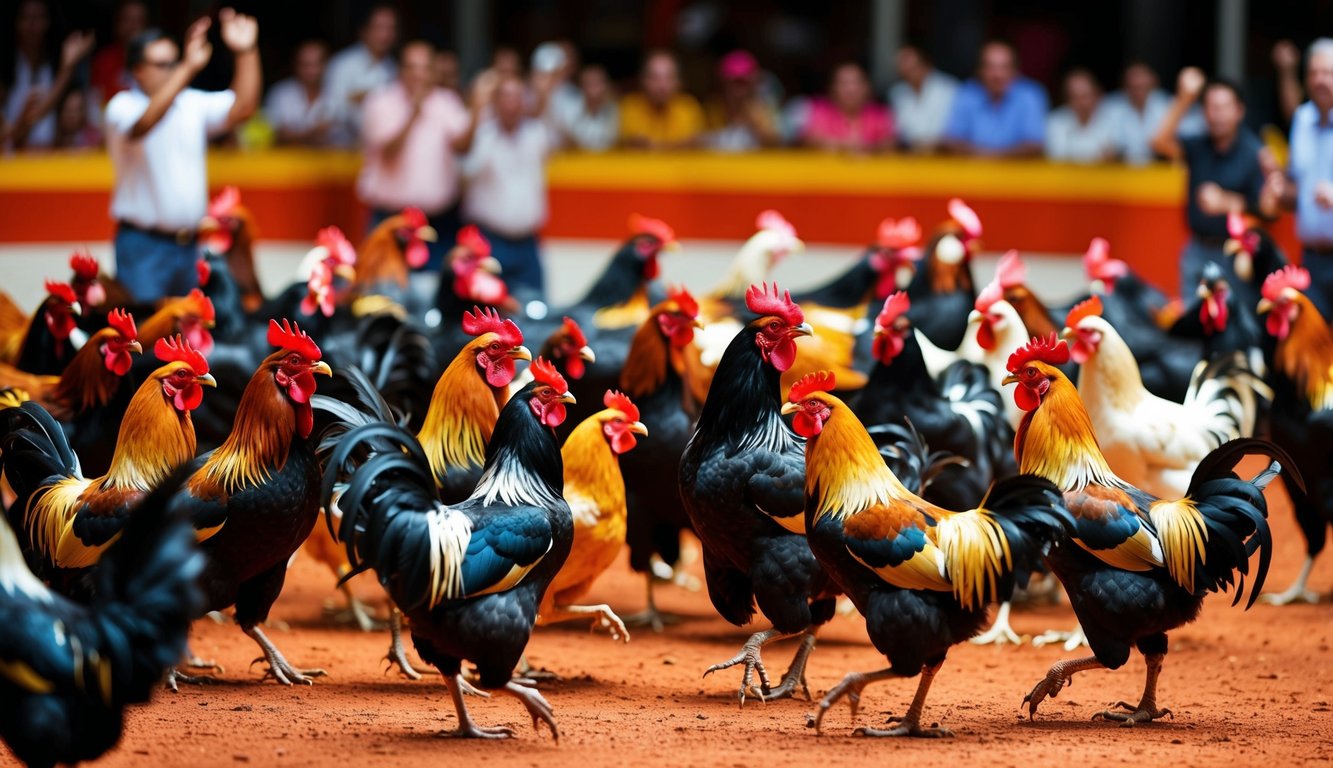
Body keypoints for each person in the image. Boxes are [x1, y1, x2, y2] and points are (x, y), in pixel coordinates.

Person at [104, 10, 260, 302]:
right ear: (138, 70)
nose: (172, 70)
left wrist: (245, 51)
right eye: (163, 64)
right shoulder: (122, 106)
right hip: (143, 247)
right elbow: (143, 125)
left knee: (189, 341)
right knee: (143, 339)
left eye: (174, 62)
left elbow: (243, 108)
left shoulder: (190, 103)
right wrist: (188, 68)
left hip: (189, 246)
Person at [358, 40, 483, 270]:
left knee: (437, 294)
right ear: (400, 70)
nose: (418, 75)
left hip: (438, 221)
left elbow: (463, 147)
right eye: (412, 67)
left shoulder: (446, 101)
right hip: (391, 220)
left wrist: (476, 109)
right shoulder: (380, 102)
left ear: (433, 71)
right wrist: (413, 113)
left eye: (425, 68)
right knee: (385, 293)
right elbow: (388, 152)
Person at [1151, 68, 1267, 300]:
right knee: (1193, 324)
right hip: (1196, 249)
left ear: (1239, 111)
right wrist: (1184, 99)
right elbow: (1159, 143)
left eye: (1223, 107)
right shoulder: (1199, 145)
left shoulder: (1255, 152)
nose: (1217, 115)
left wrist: (1228, 202)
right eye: (1211, 107)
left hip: (1236, 254)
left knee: (1233, 325)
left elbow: (1266, 210)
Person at [462, 75, 554, 301]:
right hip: (490, 241)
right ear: (495, 102)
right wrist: (476, 112)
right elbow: (465, 173)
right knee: (488, 311)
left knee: (536, 307)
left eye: (517, 98)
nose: (512, 104)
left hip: (528, 242)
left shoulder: (536, 134)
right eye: (505, 98)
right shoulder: (482, 135)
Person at [1264, 38, 1333, 317]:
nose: (1319, 80)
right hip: (1311, 259)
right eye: (1313, 73)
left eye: (1328, 73)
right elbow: (1296, 189)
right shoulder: (1302, 120)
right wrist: (1278, 186)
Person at [3, 0, 96, 150]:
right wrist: (67, 69)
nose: (32, 25)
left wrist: (68, 66)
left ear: (48, 22)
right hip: (14, 160)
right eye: (26, 17)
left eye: (38, 17)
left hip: (52, 157)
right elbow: (13, 133)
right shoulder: (6, 66)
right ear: (15, 22)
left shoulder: (54, 63)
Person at [941, 40, 1047, 157]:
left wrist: (992, 157)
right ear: (979, 71)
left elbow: (1035, 145)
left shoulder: (1031, 95)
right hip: (973, 171)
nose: (997, 75)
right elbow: (951, 140)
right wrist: (989, 158)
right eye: (990, 67)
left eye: (1004, 67)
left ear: (1016, 71)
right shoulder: (966, 93)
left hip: (1020, 172)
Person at [324, 3, 397, 147]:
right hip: (343, 150)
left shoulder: (393, 68)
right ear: (364, 31)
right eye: (379, 27)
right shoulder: (343, 65)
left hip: (383, 149)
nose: (385, 34)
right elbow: (331, 111)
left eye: (391, 28)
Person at [801, 62, 894, 153]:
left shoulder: (878, 114)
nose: (851, 89)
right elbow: (809, 139)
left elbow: (890, 143)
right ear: (833, 88)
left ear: (867, 88)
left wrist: (869, 148)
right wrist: (845, 146)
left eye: (856, 83)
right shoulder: (821, 111)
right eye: (843, 83)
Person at [619, 50, 704, 149]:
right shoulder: (630, 107)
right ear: (643, 81)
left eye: (669, 78)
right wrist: (675, 145)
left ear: (679, 82)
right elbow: (632, 142)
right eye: (655, 78)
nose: (662, 86)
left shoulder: (689, 107)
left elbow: (692, 143)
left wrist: (653, 146)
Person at [704, 50, 779, 151]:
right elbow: (696, 140)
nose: (739, 90)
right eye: (734, 82)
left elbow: (776, 142)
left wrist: (755, 121)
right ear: (723, 82)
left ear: (754, 83)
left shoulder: (761, 110)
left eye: (744, 82)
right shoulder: (713, 110)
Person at [889, 45, 957, 152]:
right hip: (909, 155)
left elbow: (952, 131)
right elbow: (899, 132)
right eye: (903, 66)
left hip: (943, 156)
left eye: (912, 67)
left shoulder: (948, 88)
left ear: (926, 65)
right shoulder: (897, 93)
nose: (908, 71)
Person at [265, 40, 332, 146]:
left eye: (317, 64)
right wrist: (310, 133)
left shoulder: (338, 92)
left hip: (335, 160)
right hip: (288, 161)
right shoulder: (281, 94)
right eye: (306, 65)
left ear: (327, 64)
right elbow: (271, 134)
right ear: (296, 66)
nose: (312, 70)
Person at [1045, 68, 1118, 163]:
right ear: (1067, 99)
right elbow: (1057, 157)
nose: (1081, 103)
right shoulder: (1055, 121)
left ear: (1097, 95)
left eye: (1085, 96)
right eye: (1075, 97)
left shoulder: (1113, 118)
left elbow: (1114, 155)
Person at [89, 0, 148, 105]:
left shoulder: (154, 61)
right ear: (117, 24)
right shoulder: (104, 60)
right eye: (127, 20)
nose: (132, 27)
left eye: (138, 21)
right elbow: (95, 102)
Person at [552, 64, 617, 151]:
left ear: (606, 85)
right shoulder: (569, 111)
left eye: (598, 83)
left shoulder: (614, 110)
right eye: (589, 84)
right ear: (581, 86)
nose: (594, 89)